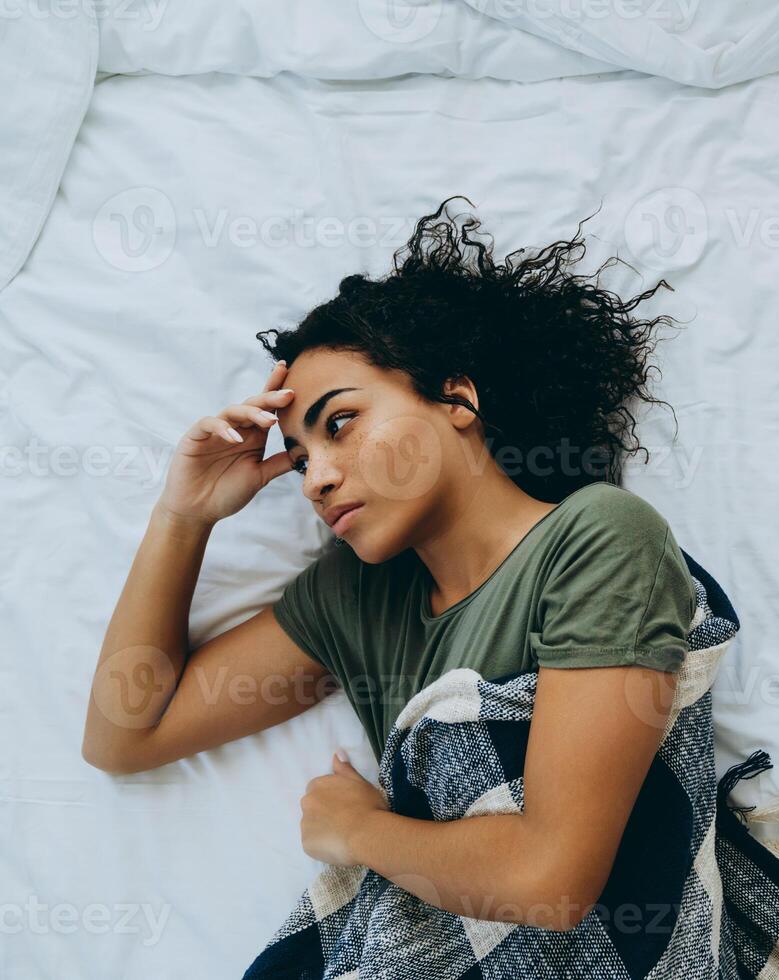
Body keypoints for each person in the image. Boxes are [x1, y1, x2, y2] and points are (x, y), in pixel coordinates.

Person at [80, 199, 696, 933]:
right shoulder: (359, 596)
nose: (316, 478)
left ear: (457, 397)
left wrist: (358, 831)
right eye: (302, 457)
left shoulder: (598, 536)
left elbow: (551, 880)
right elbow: (124, 735)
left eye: (340, 424)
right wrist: (183, 519)